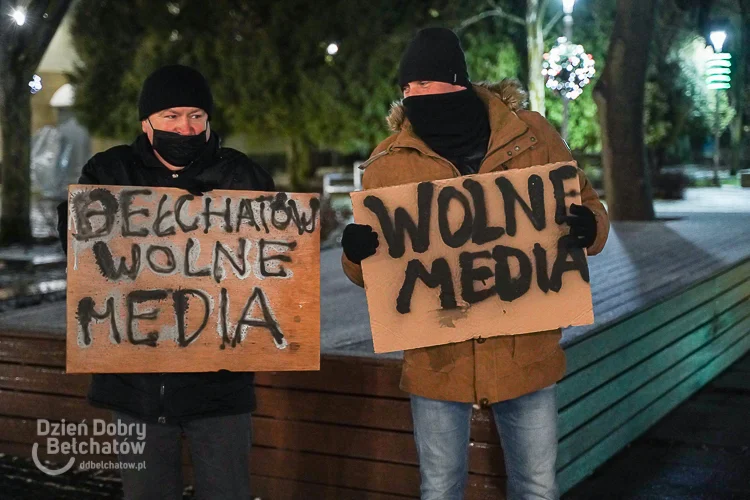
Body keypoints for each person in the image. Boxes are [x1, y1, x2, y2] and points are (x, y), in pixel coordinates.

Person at [340, 28, 609, 500]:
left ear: (457, 82)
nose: (414, 96)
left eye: (425, 84)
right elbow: (372, 276)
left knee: (537, 487)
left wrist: (590, 226)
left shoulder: (533, 136)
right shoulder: (386, 165)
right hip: (437, 361)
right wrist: (355, 252)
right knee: (440, 488)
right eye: (408, 88)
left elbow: (588, 208)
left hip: (525, 351)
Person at [57, 65, 274, 500]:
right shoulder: (108, 171)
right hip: (136, 390)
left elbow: (277, 262)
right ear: (147, 122)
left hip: (220, 389)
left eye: (195, 115)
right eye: (172, 115)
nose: (185, 127)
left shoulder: (241, 175)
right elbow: (83, 256)